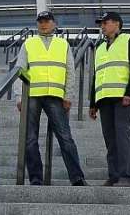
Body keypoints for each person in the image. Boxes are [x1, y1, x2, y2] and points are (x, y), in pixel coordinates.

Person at [15, 11, 87, 186]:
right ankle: (36, 178)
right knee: (30, 138)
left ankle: (77, 177)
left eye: (47, 21)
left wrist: (68, 95)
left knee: (65, 136)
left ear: (54, 24)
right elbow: (19, 70)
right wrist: (19, 95)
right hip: (32, 95)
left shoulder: (63, 44)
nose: (43, 24)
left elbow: (70, 71)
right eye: (40, 21)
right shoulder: (29, 43)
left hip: (55, 96)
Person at [89, 11, 130, 187]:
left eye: (106, 22)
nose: (102, 26)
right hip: (104, 99)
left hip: (123, 97)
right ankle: (113, 175)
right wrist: (92, 103)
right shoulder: (99, 47)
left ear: (117, 24)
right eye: (101, 23)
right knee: (109, 138)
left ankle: (126, 176)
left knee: (121, 134)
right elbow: (96, 76)